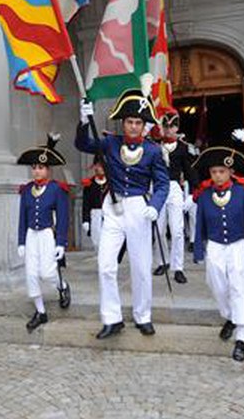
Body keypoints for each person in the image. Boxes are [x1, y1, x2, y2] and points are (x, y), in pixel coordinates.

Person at [75, 77, 169, 339]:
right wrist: (84, 122)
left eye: (138, 122)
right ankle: (112, 318)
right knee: (105, 264)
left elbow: (161, 184)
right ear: (123, 122)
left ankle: (143, 315)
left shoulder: (152, 150)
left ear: (144, 125)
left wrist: (155, 206)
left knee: (140, 266)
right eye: (129, 121)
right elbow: (83, 145)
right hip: (112, 208)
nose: (133, 126)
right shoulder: (110, 143)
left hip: (139, 207)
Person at [192, 129, 244, 361]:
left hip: (237, 244)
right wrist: (198, 250)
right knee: (216, 281)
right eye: (214, 172)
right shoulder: (204, 195)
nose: (218, 176)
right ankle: (230, 316)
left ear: (230, 172)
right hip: (214, 244)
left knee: (238, 285)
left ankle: (241, 337)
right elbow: (199, 223)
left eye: (222, 171)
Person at [17, 134, 71, 333]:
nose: (36, 171)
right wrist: (21, 241)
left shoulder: (57, 189)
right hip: (32, 235)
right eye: (34, 168)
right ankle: (40, 312)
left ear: (48, 170)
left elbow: (64, 218)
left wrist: (61, 243)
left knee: (48, 273)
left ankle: (63, 286)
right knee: (31, 274)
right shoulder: (26, 190)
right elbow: (22, 217)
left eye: (40, 167)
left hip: (48, 235)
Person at [153, 108, 197, 284]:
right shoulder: (155, 146)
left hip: (174, 188)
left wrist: (193, 194)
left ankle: (178, 267)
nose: (169, 129)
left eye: (172, 126)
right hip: (157, 188)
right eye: (166, 126)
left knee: (177, 230)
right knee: (159, 229)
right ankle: (162, 261)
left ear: (177, 128)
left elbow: (190, 172)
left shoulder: (183, 148)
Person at [81, 154, 107, 249]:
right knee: (97, 243)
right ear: (95, 166)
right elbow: (86, 204)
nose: (102, 168)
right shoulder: (90, 184)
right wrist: (86, 220)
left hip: (109, 215)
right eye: (99, 165)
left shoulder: (111, 183)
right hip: (95, 215)